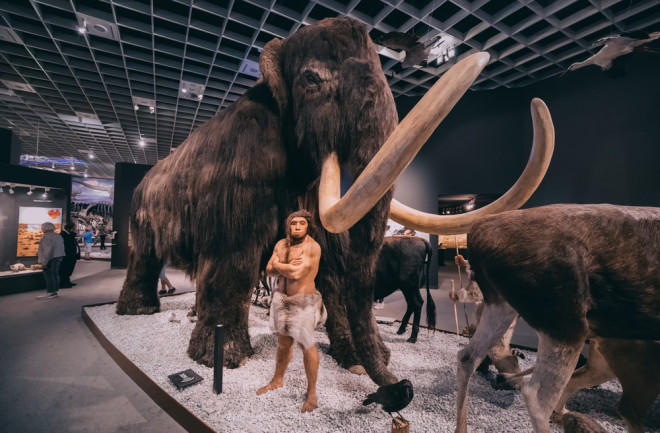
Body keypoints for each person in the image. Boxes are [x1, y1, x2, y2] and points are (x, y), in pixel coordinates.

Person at [257, 209, 326, 413]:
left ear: (308, 226)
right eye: (293, 223)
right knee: (283, 344)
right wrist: (280, 264)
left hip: (304, 302)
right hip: (281, 300)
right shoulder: (281, 244)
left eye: (301, 223)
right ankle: (277, 380)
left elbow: (297, 273)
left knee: (307, 345)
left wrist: (278, 264)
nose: (296, 226)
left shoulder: (312, 247)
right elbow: (268, 270)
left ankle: (312, 392)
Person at [37, 222, 66, 299]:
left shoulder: (46, 237)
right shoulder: (58, 236)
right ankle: (55, 291)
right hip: (57, 257)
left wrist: (44, 262)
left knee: (49, 276)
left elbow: (47, 250)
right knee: (55, 274)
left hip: (50, 258)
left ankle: (50, 292)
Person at [59, 221, 80, 288]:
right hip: (67, 256)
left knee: (69, 269)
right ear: (69, 228)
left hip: (72, 256)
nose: (75, 229)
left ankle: (67, 281)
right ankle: (63, 283)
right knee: (65, 269)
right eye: (74, 228)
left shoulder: (70, 235)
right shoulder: (63, 235)